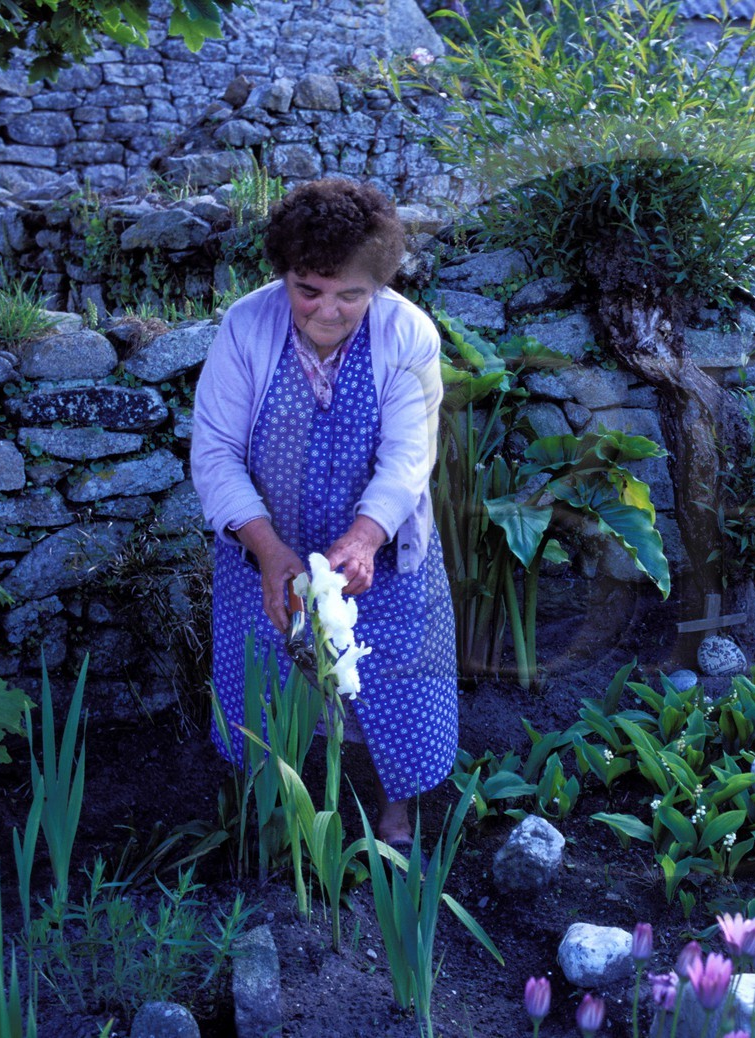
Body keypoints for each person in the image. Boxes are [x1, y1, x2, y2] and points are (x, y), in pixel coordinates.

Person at [190, 178, 455, 848]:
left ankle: (395, 815)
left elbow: (407, 457)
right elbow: (216, 452)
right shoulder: (246, 327)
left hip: (381, 554)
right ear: (285, 274)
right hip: (266, 548)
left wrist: (366, 538)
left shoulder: (408, 335)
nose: (327, 311)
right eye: (309, 289)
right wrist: (268, 550)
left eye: (351, 295)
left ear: (379, 286)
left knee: (390, 678)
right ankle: (276, 810)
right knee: (272, 675)